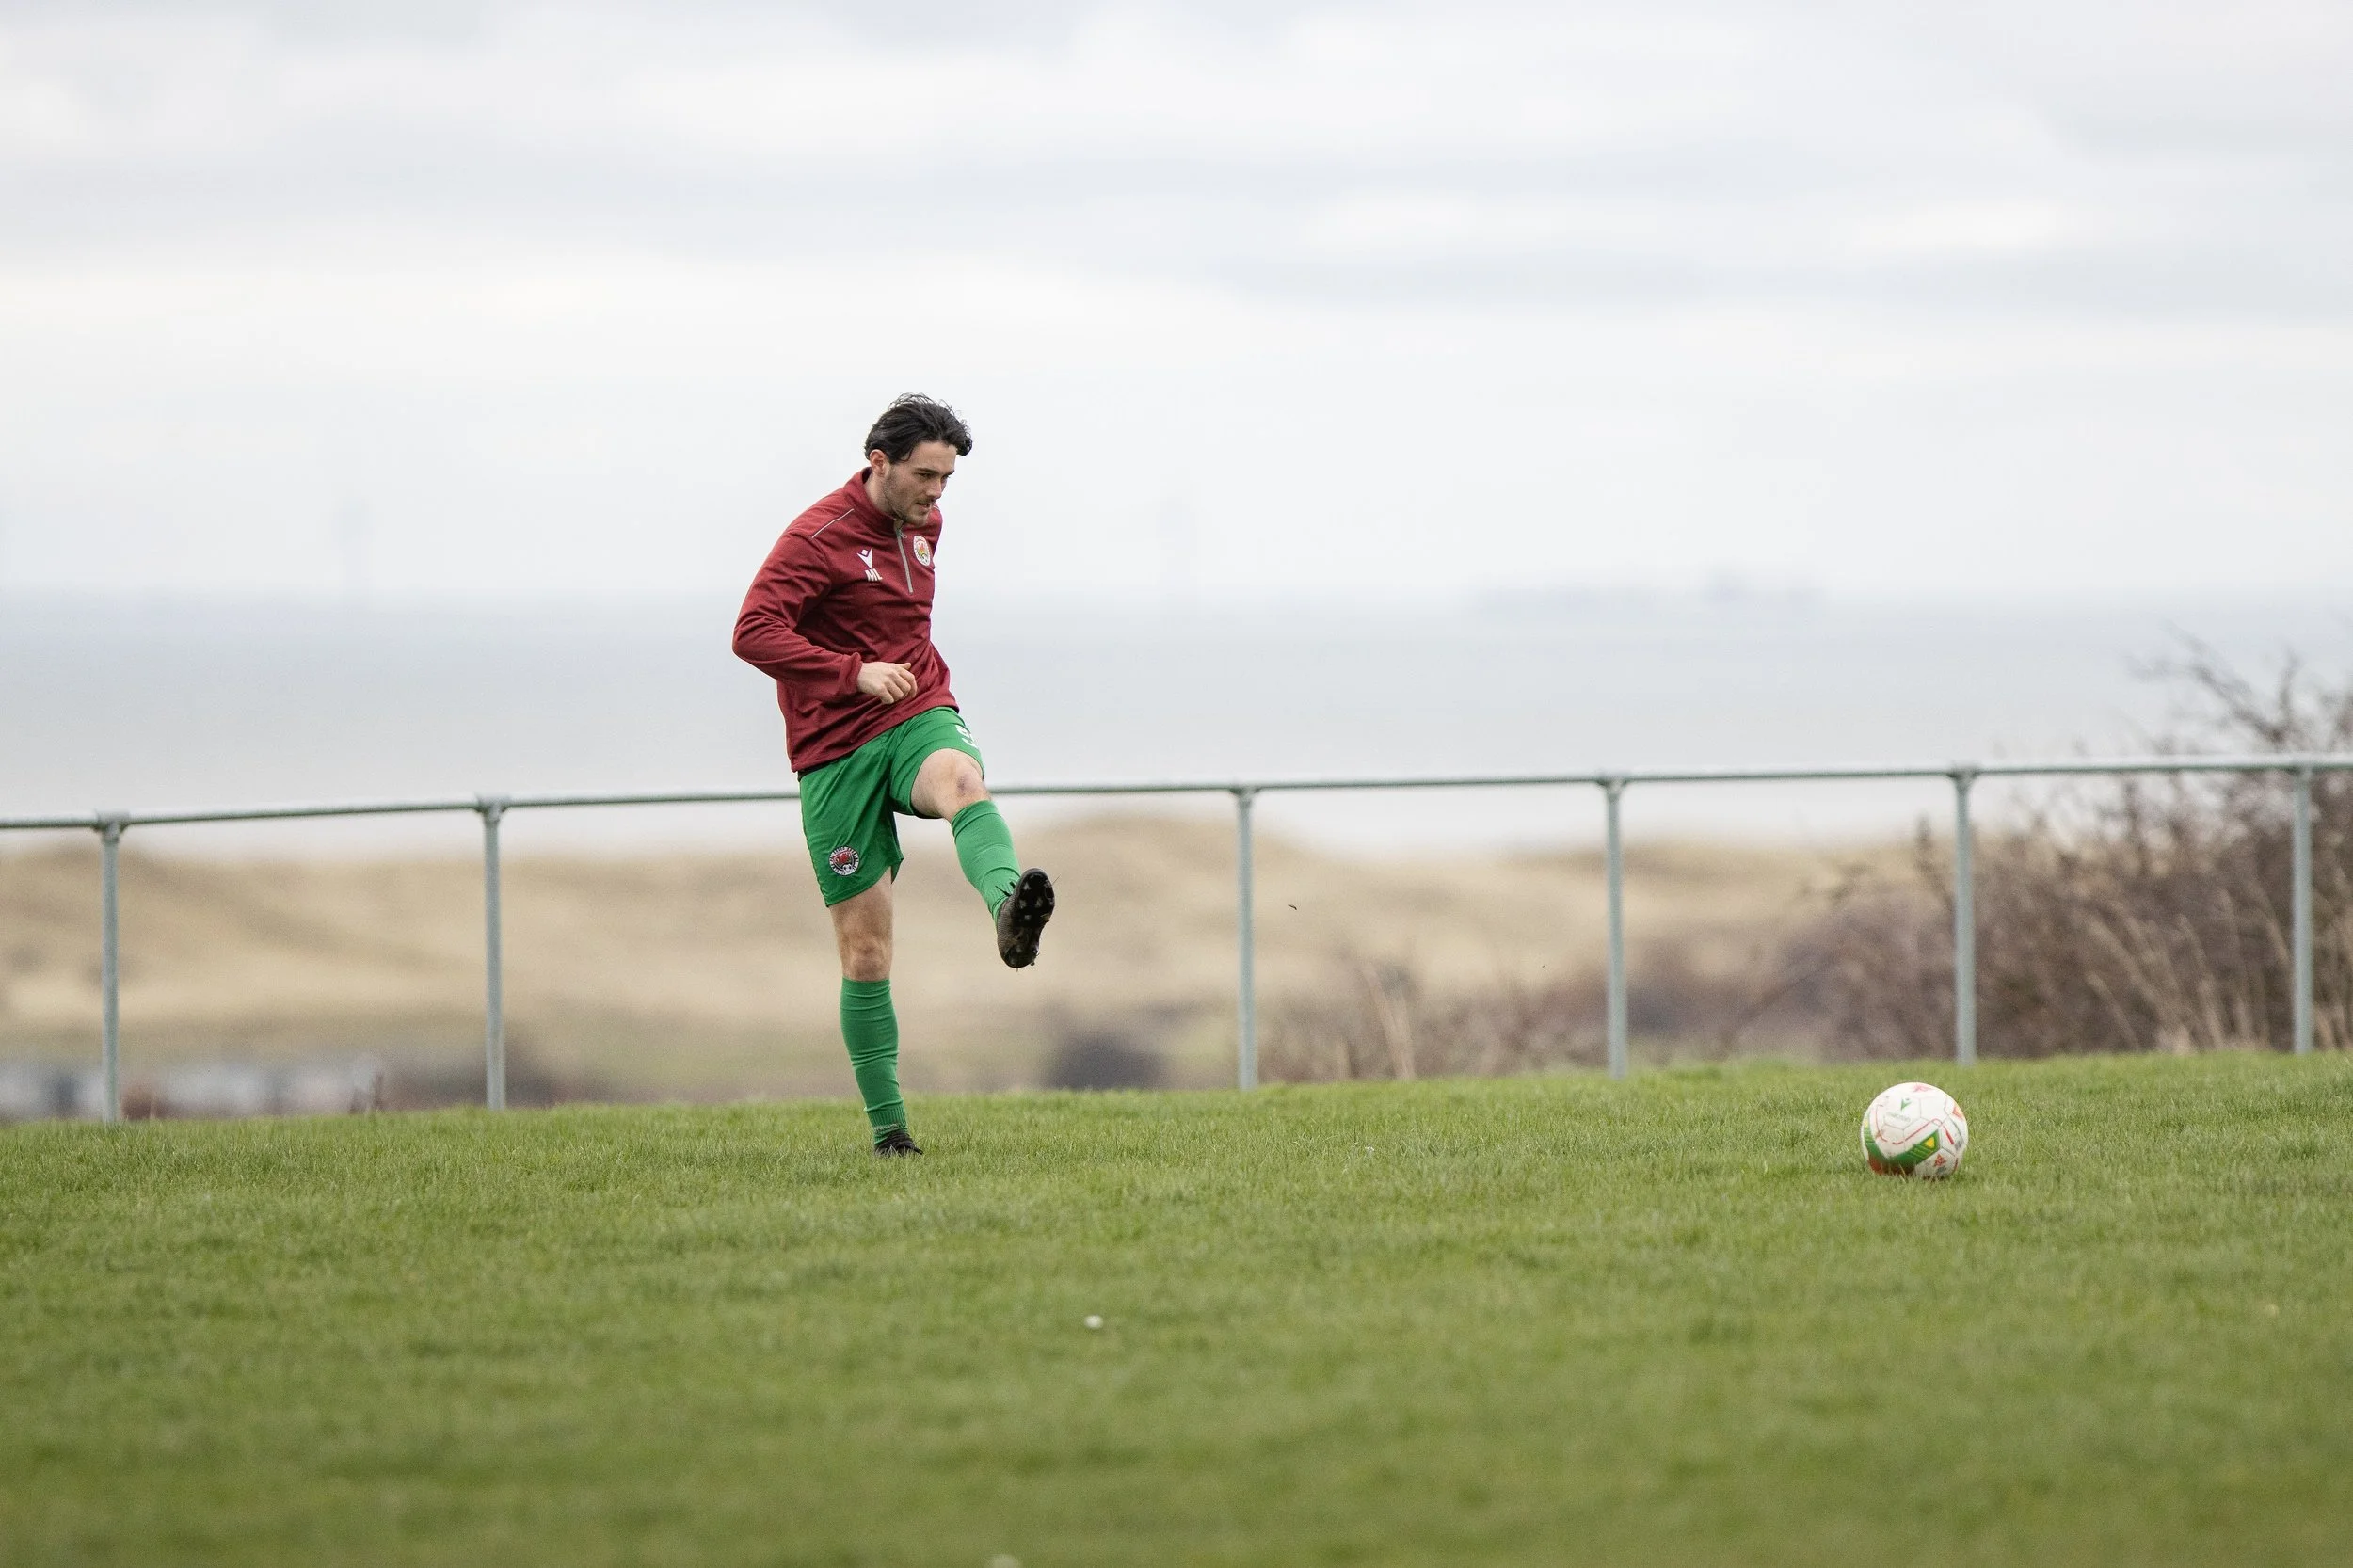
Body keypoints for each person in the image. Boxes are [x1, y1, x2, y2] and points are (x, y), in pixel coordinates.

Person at [732, 394, 1054, 1157]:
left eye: (946, 479)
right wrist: (850, 673)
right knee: (867, 953)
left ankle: (1011, 909)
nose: (935, 494)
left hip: (915, 711)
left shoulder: (925, 525)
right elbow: (752, 632)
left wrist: (892, 677)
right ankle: (890, 1134)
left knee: (962, 783)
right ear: (877, 463)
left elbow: (902, 623)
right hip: (833, 749)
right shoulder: (817, 537)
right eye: (923, 476)